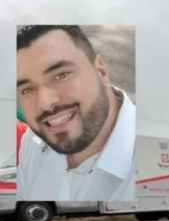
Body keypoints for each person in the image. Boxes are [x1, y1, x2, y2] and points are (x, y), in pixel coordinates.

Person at [16, 25, 136, 201]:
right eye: (27, 90)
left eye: (61, 75)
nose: (46, 103)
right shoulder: (33, 143)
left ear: (100, 71)